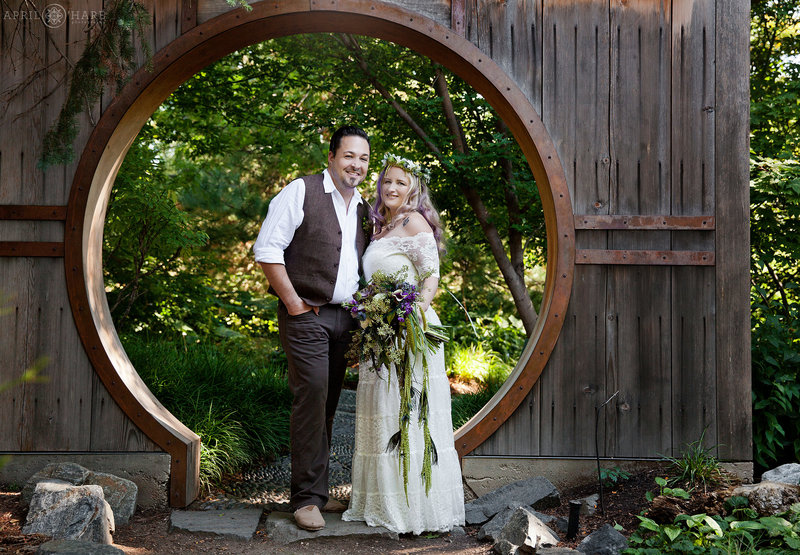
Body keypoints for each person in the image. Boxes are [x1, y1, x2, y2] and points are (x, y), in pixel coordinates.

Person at [252, 125, 371, 531]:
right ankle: (305, 500)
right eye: (349, 156)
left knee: (329, 399)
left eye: (363, 159)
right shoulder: (300, 191)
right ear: (332, 157)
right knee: (312, 394)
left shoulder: (363, 208)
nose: (356, 164)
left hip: (346, 319)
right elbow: (267, 249)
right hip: (307, 315)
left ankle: (318, 493)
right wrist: (294, 305)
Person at [341, 154, 465, 534]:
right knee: (384, 412)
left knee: (409, 413)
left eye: (400, 182)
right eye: (386, 182)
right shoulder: (380, 226)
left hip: (411, 331)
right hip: (381, 333)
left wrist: (410, 317)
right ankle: (381, 501)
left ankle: (415, 508)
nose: (391, 189)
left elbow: (430, 278)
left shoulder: (414, 222)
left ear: (413, 188)